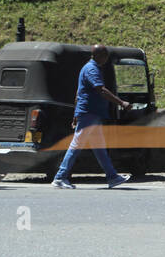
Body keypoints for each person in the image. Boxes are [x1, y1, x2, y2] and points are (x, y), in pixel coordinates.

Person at [51, 45, 133, 189]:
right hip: (90, 113)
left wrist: (76, 115)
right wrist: (121, 102)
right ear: (99, 55)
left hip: (90, 113)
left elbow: (78, 93)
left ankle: (112, 177)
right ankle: (60, 177)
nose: (107, 59)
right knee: (76, 145)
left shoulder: (89, 68)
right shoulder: (91, 69)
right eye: (105, 55)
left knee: (99, 147)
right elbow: (101, 90)